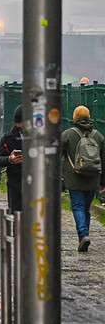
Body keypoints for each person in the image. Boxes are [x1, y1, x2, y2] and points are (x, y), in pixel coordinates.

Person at [60, 105, 105, 252]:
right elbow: (103, 160)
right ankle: (84, 236)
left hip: (74, 178)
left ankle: (83, 236)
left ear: (75, 117)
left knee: (77, 207)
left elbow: (57, 155)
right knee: (86, 208)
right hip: (93, 179)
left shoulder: (67, 134)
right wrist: (103, 182)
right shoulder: (99, 136)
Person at [0, 105, 24, 212]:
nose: (21, 127)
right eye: (18, 125)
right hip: (16, 182)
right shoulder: (8, 137)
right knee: (18, 216)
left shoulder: (39, 136)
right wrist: (10, 159)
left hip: (36, 183)